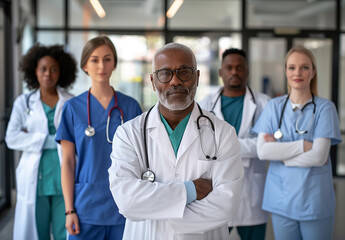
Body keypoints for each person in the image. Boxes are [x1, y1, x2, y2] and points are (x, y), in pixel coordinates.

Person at [108, 42, 244, 240]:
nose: (175, 81)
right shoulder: (129, 134)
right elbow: (126, 201)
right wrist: (191, 190)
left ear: (197, 77)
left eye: (184, 72)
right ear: (153, 81)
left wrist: (156, 212)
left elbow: (226, 204)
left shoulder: (222, 133)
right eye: (165, 73)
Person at [55, 35, 142, 240]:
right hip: (86, 208)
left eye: (107, 59)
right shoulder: (72, 109)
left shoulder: (130, 107)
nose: (101, 65)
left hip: (124, 206)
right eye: (94, 59)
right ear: (85, 65)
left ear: (114, 64)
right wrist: (69, 210)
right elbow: (67, 162)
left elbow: (142, 158)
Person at [252, 45, 342, 240]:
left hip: (314, 202)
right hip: (280, 201)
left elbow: (318, 157)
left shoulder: (325, 108)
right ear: (285, 71)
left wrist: (283, 157)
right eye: (292, 67)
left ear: (313, 72)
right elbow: (263, 152)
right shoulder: (273, 107)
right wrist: (303, 145)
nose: (297, 73)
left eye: (304, 67)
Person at [5, 44, 77, 240]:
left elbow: (78, 138)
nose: (48, 74)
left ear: (61, 72)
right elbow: (11, 137)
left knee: (65, 233)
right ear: (34, 71)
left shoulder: (71, 102)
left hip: (63, 177)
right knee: (38, 232)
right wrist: (52, 140)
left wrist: (31, 137)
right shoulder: (24, 102)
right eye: (43, 69)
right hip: (35, 178)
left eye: (54, 69)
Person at [199, 48, 270, 240]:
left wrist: (223, 146)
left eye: (239, 68)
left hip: (252, 192)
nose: (234, 72)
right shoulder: (205, 105)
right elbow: (202, 146)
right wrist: (251, 146)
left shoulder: (264, 104)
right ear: (221, 72)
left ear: (247, 71)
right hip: (217, 190)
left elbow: (266, 148)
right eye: (229, 67)